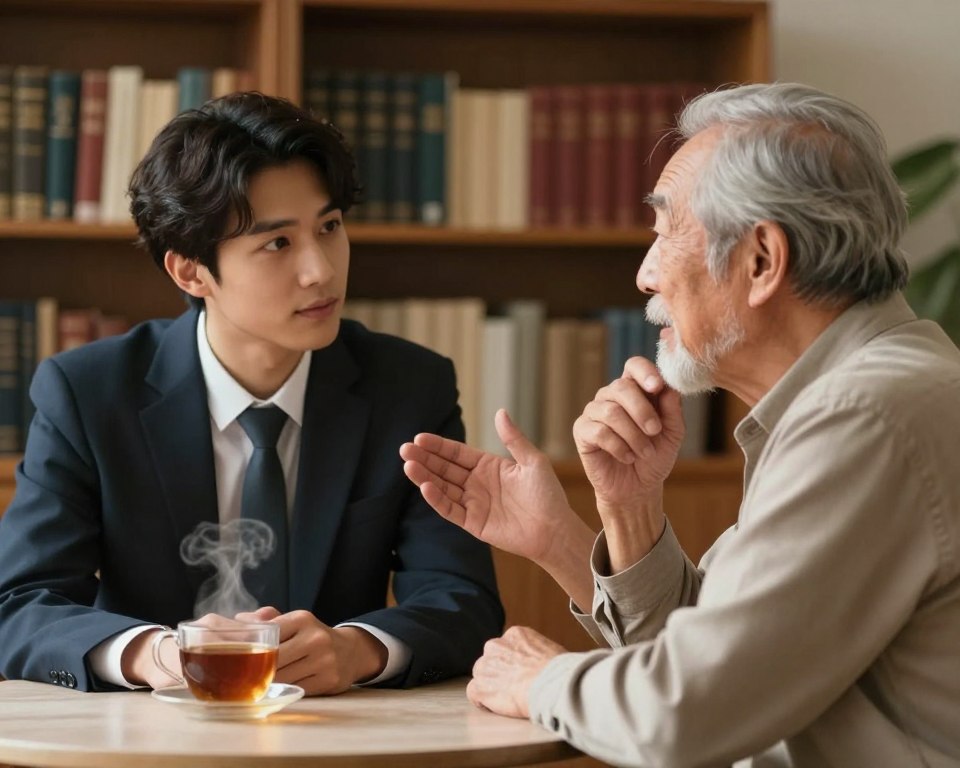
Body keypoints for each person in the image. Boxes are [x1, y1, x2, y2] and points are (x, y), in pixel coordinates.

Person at [400, 83, 960, 767]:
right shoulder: (868, 391)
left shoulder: (864, 415)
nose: (644, 276)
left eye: (665, 232)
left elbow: (688, 713)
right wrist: (604, 520)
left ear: (760, 261)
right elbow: (727, 655)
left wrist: (539, 681)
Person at [0, 92, 503, 695]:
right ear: (190, 271)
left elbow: (464, 599)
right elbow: (20, 605)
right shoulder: (88, 392)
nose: (321, 270)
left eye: (330, 227)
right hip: (148, 737)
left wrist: (358, 649)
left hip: (343, 734)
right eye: (277, 243)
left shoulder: (408, 387)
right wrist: (153, 654)